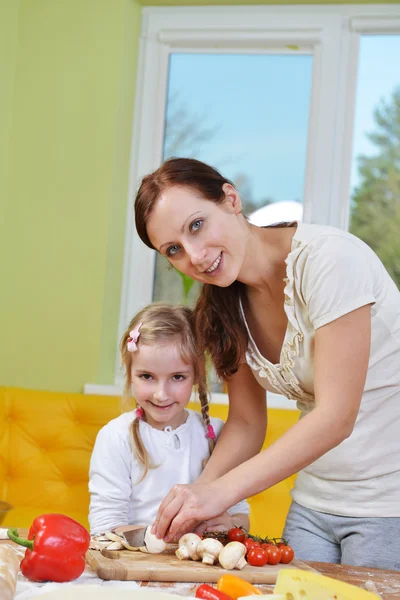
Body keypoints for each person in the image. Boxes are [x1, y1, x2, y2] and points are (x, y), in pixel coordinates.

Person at [133, 157, 400, 570]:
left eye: (197, 225)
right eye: (174, 250)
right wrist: (196, 497)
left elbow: (336, 416)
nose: (196, 256)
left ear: (231, 199)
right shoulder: (224, 307)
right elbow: (246, 422)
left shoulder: (330, 260)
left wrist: (221, 492)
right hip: (314, 503)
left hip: (389, 503)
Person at [88, 302, 250, 536]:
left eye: (177, 377)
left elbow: (241, 517)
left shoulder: (218, 434)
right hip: (136, 568)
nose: (161, 394)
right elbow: (105, 528)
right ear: (129, 371)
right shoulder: (115, 437)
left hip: (200, 568)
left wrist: (229, 526)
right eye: (147, 376)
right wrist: (169, 539)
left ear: (197, 374)